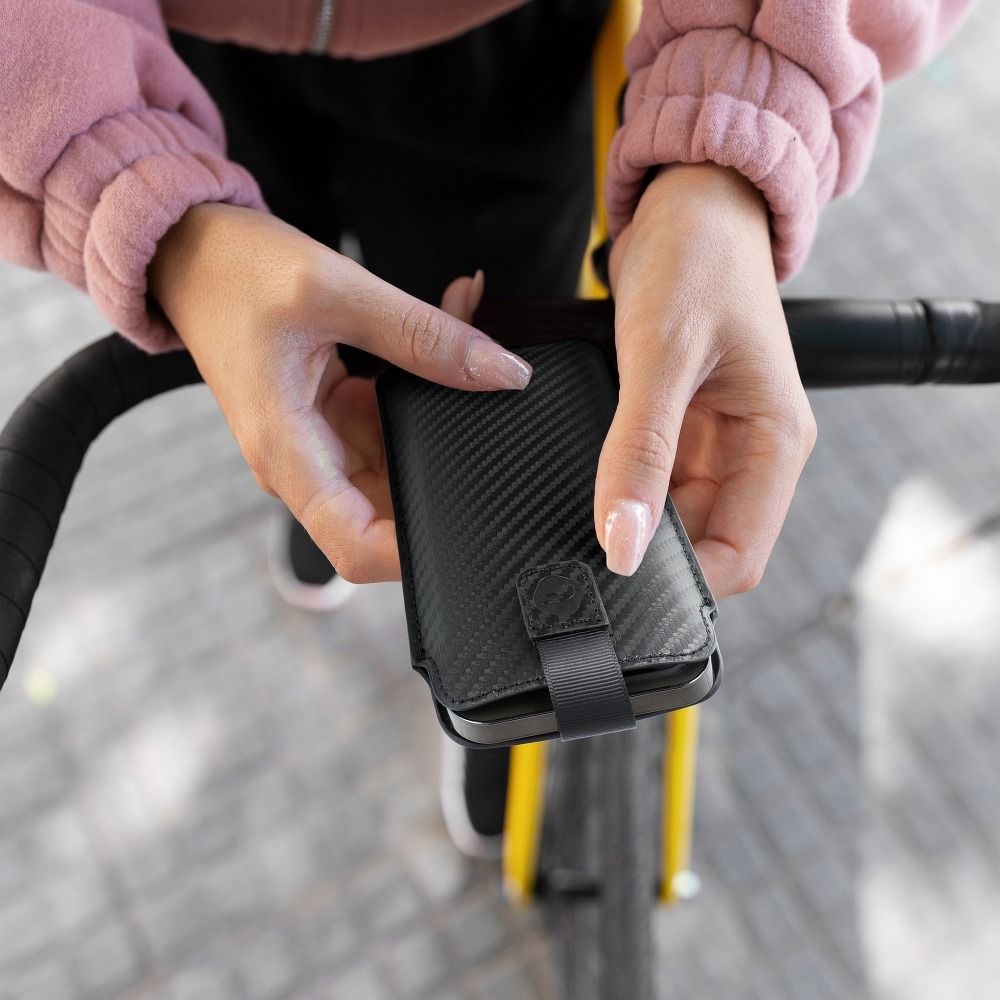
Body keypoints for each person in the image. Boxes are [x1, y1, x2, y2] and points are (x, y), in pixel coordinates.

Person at [0, 0, 974, 855]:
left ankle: (505, 693)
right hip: (177, 50)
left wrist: (740, 115)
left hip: (502, 57)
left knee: (499, 388)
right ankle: (318, 514)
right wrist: (123, 176)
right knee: (279, 362)